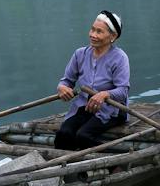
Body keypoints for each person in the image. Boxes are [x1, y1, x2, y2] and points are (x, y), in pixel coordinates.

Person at [54, 10, 130, 150]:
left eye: (99, 31)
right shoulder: (80, 54)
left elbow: (123, 91)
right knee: (63, 133)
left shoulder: (120, 58)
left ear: (113, 36)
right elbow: (66, 81)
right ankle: (69, 166)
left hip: (112, 110)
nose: (93, 35)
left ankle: (113, 165)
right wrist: (62, 88)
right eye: (92, 29)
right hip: (85, 107)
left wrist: (104, 94)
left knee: (83, 136)